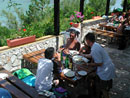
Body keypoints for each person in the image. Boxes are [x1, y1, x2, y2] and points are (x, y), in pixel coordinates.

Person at [81, 33, 116, 98]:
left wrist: (87, 64)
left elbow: (100, 63)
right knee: (102, 87)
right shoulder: (95, 45)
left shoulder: (94, 49)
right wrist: (83, 55)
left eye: (86, 40)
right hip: (107, 67)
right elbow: (91, 55)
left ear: (88, 40)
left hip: (105, 70)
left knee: (104, 89)